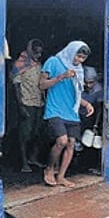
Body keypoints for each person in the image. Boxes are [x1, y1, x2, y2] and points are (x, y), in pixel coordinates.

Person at [40, 41, 94, 187]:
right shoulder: (53, 62)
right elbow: (41, 85)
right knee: (62, 141)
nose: (78, 60)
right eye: (77, 56)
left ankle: (61, 177)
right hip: (55, 109)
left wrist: (87, 104)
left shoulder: (79, 70)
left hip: (71, 112)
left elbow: (74, 95)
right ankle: (49, 169)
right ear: (71, 51)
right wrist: (61, 77)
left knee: (71, 144)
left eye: (82, 58)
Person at [10, 38, 45, 173]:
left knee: (37, 132)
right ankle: (24, 162)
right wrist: (21, 106)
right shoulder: (20, 65)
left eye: (40, 53)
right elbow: (16, 87)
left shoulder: (38, 64)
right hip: (26, 103)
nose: (38, 56)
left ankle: (33, 158)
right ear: (30, 51)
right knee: (25, 134)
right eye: (36, 53)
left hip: (39, 103)